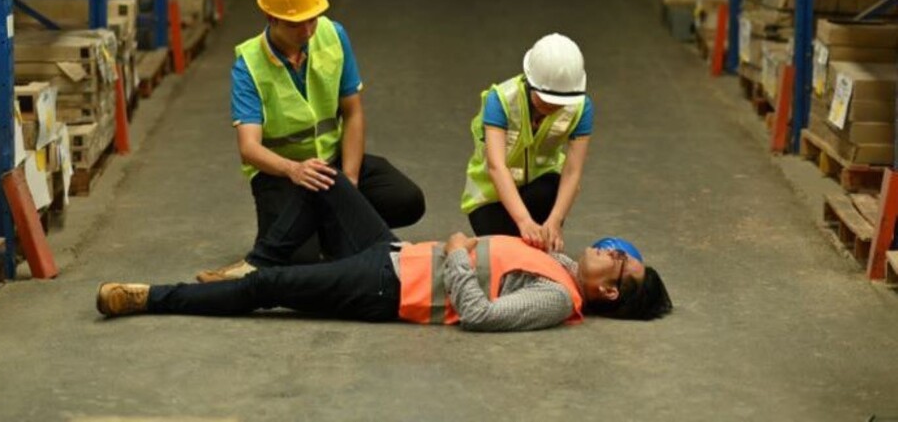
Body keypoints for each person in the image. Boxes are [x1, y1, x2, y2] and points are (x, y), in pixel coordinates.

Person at [97, 173, 672, 331]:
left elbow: (480, 314)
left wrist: (454, 251)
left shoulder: (555, 301)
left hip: (388, 287)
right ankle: (262, 256)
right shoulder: (563, 267)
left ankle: (152, 299)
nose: (614, 247)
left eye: (621, 258)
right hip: (395, 253)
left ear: (611, 290)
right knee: (326, 181)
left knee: (266, 294)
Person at [198, 0, 425, 282]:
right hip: (283, 176)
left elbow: (353, 113)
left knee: (408, 200)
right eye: (296, 25)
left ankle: (327, 225)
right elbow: (249, 148)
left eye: (312, 20)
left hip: (332, 163)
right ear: (271, 17)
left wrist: (349, 183)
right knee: (300, 260)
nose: (307, 31)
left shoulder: (333, 35)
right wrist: (294, 170)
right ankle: (326, 230)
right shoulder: (248, 64)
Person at [461, 33, 593, 253]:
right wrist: (523, 221)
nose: (553, 105)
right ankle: (530, 238)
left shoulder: (581, 107)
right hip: (491, 199)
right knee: (505, 248)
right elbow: (497, 166)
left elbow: (572, 171)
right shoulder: (501, 99)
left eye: (560, 101)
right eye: (546, 97)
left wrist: (555, 220)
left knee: (552, 186)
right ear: (530, 82)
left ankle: (542, 234)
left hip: (540, 194)